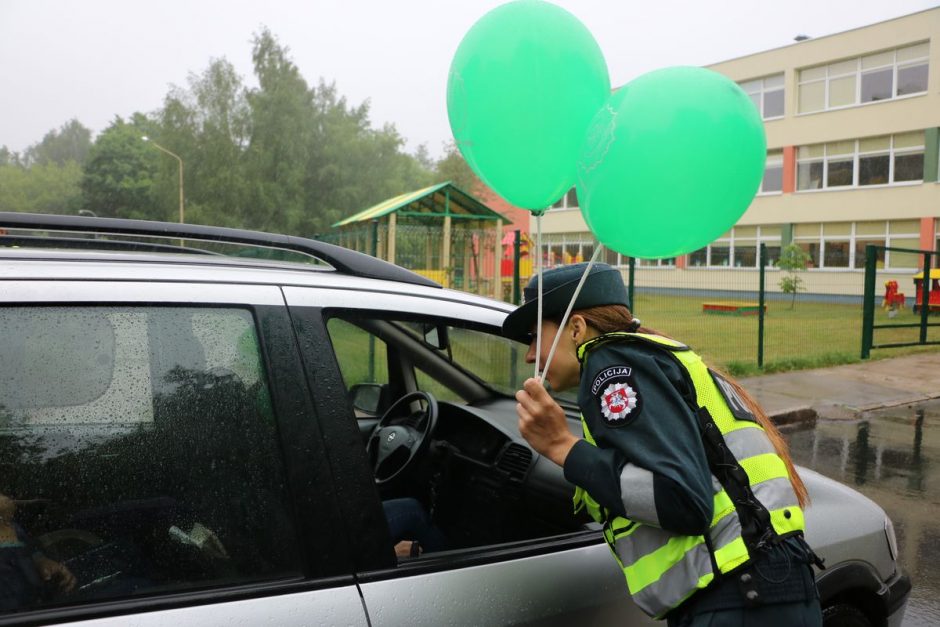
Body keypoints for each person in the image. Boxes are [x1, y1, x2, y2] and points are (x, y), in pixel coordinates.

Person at [504, 263, 823, 627]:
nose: (530, 355)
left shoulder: (612, 365)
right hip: (759, 590)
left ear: (576, 328)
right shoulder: (647, 356)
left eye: (534, 336)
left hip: (740, 598)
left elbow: (683, 500)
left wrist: (562, 446)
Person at [0, 492, 76, 611]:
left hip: (42, 606)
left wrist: (41, 561)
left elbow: (28, 550)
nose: (5, 498)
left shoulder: (14, 527)